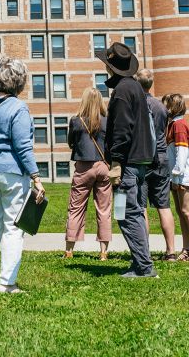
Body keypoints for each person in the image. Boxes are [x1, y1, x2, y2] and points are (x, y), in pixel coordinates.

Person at [0, 50, 45, 294]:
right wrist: (36, 178)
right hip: (11, 174)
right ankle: (7, 283)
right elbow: (23, 148)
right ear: (21, 83)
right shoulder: (19, 109)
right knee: (13, 228)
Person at [98, 42, 157, 278]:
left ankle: (144, 267)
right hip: (139, 162)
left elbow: (122, 130)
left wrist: (116, 163)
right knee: (131, 212)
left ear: (111, 67)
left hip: (127, 166)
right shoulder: (133, 87)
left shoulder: (122, 91)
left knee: (126, 213)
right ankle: (140, 262)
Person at [64, 87, 112, 260]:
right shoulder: (108, 121)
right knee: (104, 210)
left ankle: (69, 250)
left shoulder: (75, 121)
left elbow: (71, 143)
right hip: (103, 166)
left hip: (83, 166)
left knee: (76, 208)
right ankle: (103, 252)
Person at [136, 69, 176, 261]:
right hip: (161, 157)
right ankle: (171, 251)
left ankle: (144, 252)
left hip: (142, 159)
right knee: (164, 206)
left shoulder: (135, 105)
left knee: (141, 207)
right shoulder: (161, 107)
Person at [164, 93, 189, 261]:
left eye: (166, 105)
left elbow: (182, 150)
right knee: (180, 211)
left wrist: (177, 172)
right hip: (176, 176)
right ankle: (186, 249)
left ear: (173, 107)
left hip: (182, 175)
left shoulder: (179, 125)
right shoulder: (173, 125)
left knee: (187, 211)